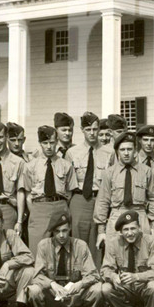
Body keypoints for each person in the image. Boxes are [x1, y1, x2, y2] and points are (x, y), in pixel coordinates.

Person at [29, 211, 103, 307]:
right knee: (34, 290)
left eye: (64, 230)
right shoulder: (43, 246)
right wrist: (52, 284)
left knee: (97, 289)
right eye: (57, 231)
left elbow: (93, 275)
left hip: (74, 293)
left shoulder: (81, 246)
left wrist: (80, 284)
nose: (61, 235)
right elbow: (37, 276)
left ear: (70, 229)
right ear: (52, 232)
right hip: (53, 293)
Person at [101, 210, 154, 307]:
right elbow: (105, 269)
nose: (130, 233)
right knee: (106, 288)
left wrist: (137, 276)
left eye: (133, 228)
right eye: (126, 230)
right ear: (120, 232)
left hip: (144, 285)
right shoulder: (113, 243)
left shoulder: (151, 241)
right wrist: (113, 276)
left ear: (139, 228)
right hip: (125, 287)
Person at [94, 131, 154, 248]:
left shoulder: (146, 171)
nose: (126, 153)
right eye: (122, 150)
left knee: (143, 256)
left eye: (129, 149)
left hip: (140, 215)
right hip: (117, 214)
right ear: (117, 151)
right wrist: (101, 232)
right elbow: (103, 201)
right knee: (115, 255)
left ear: (135, 151)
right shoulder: (109, 173)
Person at [23, 125, 78, 253]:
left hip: (60, 206)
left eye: (52, 143)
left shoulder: (66, 165)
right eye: (45, 143)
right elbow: (27, 194)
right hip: (39, 209)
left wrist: (61, 205)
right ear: (40, 143)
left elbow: (69, 192)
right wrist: (36, 211)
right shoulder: (31, 166)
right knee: (37, 249)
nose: (48, 147)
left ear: (57, 142)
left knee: (61, 248)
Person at [66, 111, 110, 262]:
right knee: (77, 238)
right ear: (82, 130)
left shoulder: (109, 153)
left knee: (98, 239)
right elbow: (67, 184)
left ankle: (96, 276)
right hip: (79, 199)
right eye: (88, 129)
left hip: (100, 199)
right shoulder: (72, 153)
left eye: (95, 129)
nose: (92, 133)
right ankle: (77, 274)